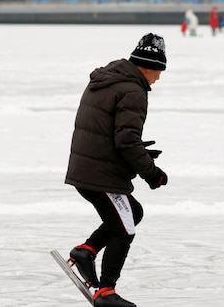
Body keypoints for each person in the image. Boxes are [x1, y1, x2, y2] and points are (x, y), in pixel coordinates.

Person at [65, 33, 169, 307]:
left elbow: (108, 133)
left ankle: (86, 251)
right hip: (101, 175)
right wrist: (151, 172)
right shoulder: (133, 90)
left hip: (87, 167)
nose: (157, 79)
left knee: (132, 212)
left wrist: (140, 153)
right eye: (159, 71)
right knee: (124, 230)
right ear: (149, 66)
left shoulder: (109, 79)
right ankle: (106, 291)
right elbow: (125, 140)